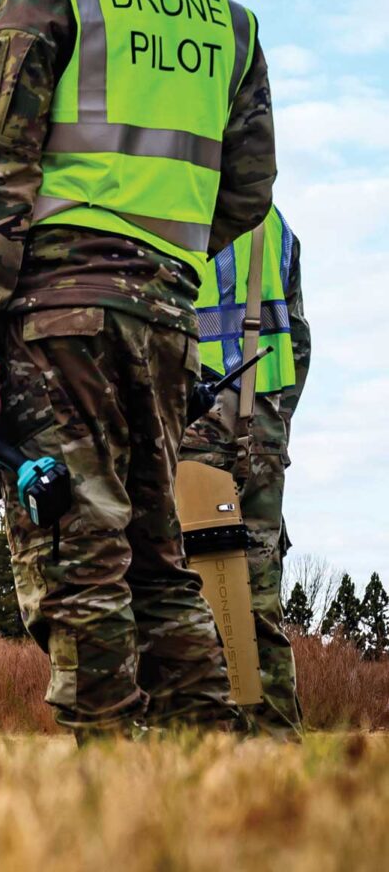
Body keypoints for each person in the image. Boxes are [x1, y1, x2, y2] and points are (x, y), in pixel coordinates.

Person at [0, 0, 277, 739]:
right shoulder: (230, 23)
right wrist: (159, 260)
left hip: (58, 316)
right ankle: (208, 765)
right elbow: (248, 194)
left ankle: (112, 786)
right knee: (159, 558)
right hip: (169, 316)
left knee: (79, 552)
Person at [180, 206, 310, 739]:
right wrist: (273, 426)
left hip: (189, 421)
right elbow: (297, 344)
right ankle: (276, 750)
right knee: (257, 598)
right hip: (263, 425)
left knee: (185, 593)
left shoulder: (174, 207)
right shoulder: (275, 226)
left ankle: (206, 749)